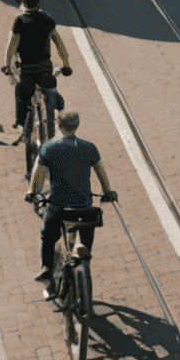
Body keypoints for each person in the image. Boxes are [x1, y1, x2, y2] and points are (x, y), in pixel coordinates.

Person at [25, 110, 117, 291]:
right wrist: (108, 192)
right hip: (83, 206)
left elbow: (38, 178)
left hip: (58, 207)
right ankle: (83, 251)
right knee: (87, 226)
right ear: (77, 126)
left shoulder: (48, 148)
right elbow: (101, 174)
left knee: (47, 234)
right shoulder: (90, 147)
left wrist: (32, 192)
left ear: (59, 125)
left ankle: (46, 268)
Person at [2, 0, 73, 141]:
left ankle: (20, 126)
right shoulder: (47, 19)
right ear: (38, 3)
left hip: (26, 71)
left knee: (21, 95)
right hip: (45, 71)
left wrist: (7, 66)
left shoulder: (20, 21)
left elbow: (12, 46)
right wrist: (65, 65)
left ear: (23, 3)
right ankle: (56, 112)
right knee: (53, 93)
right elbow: (59, 44)